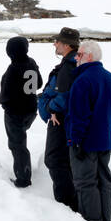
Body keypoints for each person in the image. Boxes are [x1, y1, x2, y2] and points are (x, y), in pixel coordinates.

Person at [65, 40, 111, 221]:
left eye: (79, 55)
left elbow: (79, 115)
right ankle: (105, 219)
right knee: (104, 180)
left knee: (85, 182)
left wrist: (76, 140)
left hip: (86, 142)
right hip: (104, 140)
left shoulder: (82, 80)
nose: (76, 58)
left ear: (89, 57)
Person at [36, 27, 81, 210]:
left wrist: (49, 107)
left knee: (55, 160)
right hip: (63, 119)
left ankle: (66, 205)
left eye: (58, 41)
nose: (54, 44)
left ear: (67, 45)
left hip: (60, 120)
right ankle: (71, 202)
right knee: (62, 160)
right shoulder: (71, 63)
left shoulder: (69, 66)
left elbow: (64, 96)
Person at [0, 36, 42, 187]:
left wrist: (2, 101)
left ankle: (23, 178)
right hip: (31, 110)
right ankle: (24, 171)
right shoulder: (32, 63)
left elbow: (5, 93)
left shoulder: (13, 68)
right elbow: (39, 83)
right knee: (20, 141)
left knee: (17, 144)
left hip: (15, 112)